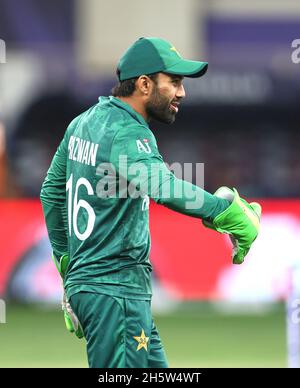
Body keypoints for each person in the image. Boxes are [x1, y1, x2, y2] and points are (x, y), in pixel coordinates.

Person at [40, 37, 261, 368]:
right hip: (117, 293)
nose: (182, 92)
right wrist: (223, 211)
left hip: (102, 291)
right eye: (173, 82)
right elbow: (162, 185)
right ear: (144, 84)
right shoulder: (127, 131)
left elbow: (51, 193)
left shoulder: (82, 123)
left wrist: (70, 269)